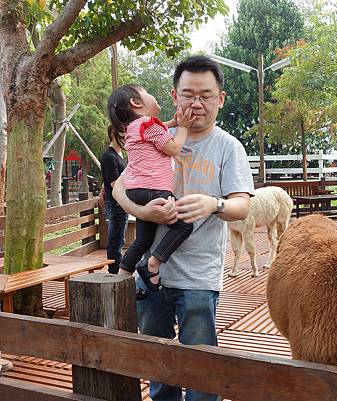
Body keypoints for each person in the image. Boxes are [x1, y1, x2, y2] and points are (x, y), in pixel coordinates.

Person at [112, 55, 254, 401]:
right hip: (149, 279)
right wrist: (142, 209)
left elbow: (242, 205)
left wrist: (213, 204)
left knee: (202, 370)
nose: (197, 103)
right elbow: (118, 188)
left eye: (206, 95)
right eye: (188, 94)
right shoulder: (154, 135)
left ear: (220, 98)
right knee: (160, 370)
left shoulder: (228, 148)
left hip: (199, 279)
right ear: (174, 97)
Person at [108, 84, 197, 291]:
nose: (152, 94)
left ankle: (122, 280)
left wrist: (172, 123)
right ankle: (153, 265)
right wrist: (182, 127)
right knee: (185, 225)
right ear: (136, 103)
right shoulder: (149, 124)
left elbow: (155, 131)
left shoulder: (133, 128)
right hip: (155, 189)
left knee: (143, 240)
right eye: (146, 91)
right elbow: (173, 148)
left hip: (136, 191)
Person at [100, 125, 128, 274]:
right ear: (112, 134)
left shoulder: (119, 154)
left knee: (119, 239)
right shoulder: (109, 156)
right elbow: (114, 183)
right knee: (116, 240)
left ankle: (116, 269)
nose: (124, 137)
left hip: (121, 203)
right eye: (121, 134)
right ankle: (114, 271)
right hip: (116, 203)